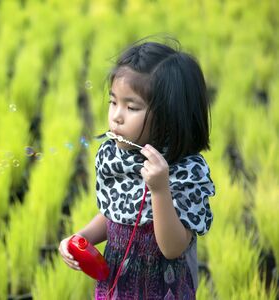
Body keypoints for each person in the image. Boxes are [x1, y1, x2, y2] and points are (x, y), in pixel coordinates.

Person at [58, 38, 215, 299]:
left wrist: (160, 189)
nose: (116, 115)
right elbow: (116, 217)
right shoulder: (118, 158)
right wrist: (80, 238)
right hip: (117, 287)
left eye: (131, 107)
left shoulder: (185, 173)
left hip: (163, 290)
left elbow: (173, 248)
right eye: (113, 102)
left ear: (169, 117)